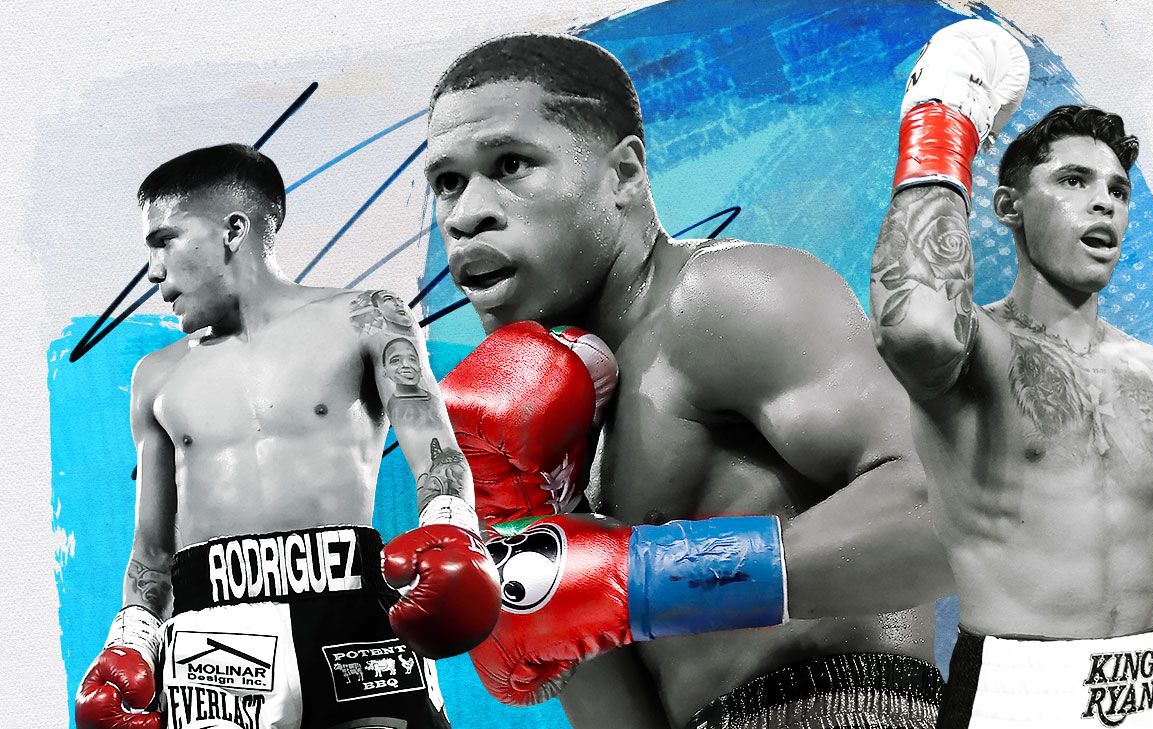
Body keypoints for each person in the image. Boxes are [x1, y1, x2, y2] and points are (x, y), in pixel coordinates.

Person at [423, 33, 956, 729]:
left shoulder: (723, 298)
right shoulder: (548, 421)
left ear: (625, 173)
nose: (466, 215)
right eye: (447, 182)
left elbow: (948, 512)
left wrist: (645, 578)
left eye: (511, 163)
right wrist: (537, 545)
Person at [868, 19, 1153, 728]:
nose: (1103, 202)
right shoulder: (976, 352)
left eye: (1118, 189)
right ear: (1008, 205)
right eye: (1074, 180)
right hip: (1018, 694)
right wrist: (942, 114)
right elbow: (917, 320)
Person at [73, 144, 501, 729]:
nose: (154, 274)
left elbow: (435, 446)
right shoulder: (157, 376)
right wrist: (132, 642)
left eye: (165, 241)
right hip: (214, 634)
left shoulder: (368, 316)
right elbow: (152, 550)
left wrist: (452, 529)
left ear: (232, 229)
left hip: (349, 605)